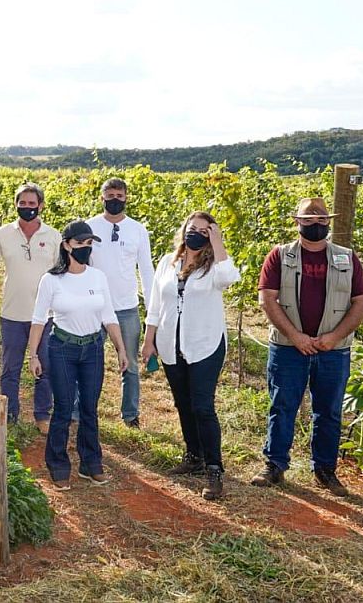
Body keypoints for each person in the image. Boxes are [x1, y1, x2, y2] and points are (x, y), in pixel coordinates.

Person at [251, 197, 363, 497]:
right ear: (297, 222)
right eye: (308, 220)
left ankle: (325, 470)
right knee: (282, 405)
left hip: (334, 349)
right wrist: (295, 336)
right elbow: (268, 299)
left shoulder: (346, 257)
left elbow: (361, 302)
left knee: (328, 411)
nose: (315, 225)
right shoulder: (280, 256)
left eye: (320, 220)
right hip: (288, 348)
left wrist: (333, 337)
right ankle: (274, 465)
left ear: (328, 222)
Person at [141, 212, 239, 500]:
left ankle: (214, 468)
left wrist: (218, 242)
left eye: (203, 231)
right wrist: (149, 341)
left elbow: (228, 279)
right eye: (191, 228)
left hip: (205, 345)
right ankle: (193, 455)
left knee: (203, 406)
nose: (194, 234)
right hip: (172, 344)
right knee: (183, 403)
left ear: (210, 236)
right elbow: (156, 305)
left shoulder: (214, 267)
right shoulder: (167, 262)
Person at [28, 220, 128, 489]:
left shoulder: (98, 277)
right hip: (62, 348)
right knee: (62, 409)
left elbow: (108, 315)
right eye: (80, 243)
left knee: (89, 409)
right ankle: (58, 465)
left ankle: (91, 464)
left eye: (88, 244)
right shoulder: (51, 280)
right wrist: (34, 355)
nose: (85, 248)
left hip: (93, 349)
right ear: (66, 246)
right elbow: (39, 319)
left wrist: (120, 348)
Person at [0, 183, 61, 432]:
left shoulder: (53, 236)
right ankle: (9, 415)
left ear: (41, 206)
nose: (27, 208)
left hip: (45, 315)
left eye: (32, 204)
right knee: (10, 368)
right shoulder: (4, 233)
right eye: (22, 203)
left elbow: (62, 273)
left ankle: (42, 415)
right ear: (16, 205)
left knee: (45, 366)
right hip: (12, 313)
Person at [87, 177, 155, 429]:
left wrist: (151, 309)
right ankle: (82, 410)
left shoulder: (138, 229)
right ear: (102, 197)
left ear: (126, 198)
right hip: (94, 306)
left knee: (130, 362)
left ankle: (130, 414)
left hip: (126, 307)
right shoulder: (89, 227)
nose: (115, 200)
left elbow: (146, 270)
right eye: (110, 195)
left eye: (119, 196)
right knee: (89, 361)